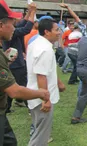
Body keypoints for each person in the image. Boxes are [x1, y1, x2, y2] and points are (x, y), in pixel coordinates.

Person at [0, 0, 49, 146]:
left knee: (9, 142)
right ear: (0, 25)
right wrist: (42, 93)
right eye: (12, 23)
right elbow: (15, 91)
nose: (13, 27)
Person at [26, 18, 66, 146]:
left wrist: (58, 82)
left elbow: (47, 70)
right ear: (47, 32)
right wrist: (46, 100)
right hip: (40, 98)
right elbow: (41, 76)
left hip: (35, 95)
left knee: (40, 132)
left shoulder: (36, 43)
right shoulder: (45, 49)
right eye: (56, 30)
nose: (59, 32)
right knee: (40, 136)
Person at [2, 2, 36, 112]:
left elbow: (22, 23)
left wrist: (29, 12)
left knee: (10, 85)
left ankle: (7, 108)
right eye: (14, 19)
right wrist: (33, 12)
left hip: (12, 63)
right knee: (24, 86)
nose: (17, 19)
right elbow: (26, 29)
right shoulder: (12, 32)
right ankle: (30, 107)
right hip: (16, 64)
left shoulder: (11, 30)